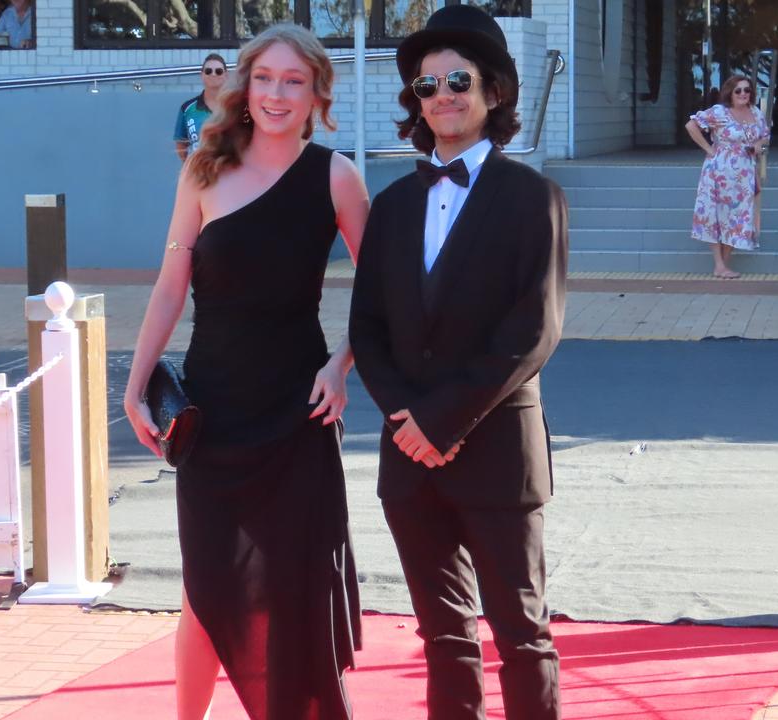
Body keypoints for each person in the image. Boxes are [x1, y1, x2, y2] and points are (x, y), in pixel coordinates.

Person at [122, 23, 368, 720]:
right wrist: (135, 383)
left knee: (294, 587)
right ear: (243, 86)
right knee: (206, 592)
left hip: (297, 410)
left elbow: (380, 288)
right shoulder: (203, 167)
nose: (277, 94)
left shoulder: (337, 176)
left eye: (294, 80)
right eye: (264, 78)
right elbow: (171, 284)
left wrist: (341, 364)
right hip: (214, 411)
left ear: (318, 91)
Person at [348, 5, 567, 718]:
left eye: (458, 80)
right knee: (443, 637)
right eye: (425, 85)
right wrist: (408, 423)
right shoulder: (390, 205)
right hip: (410, 461)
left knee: (522, 636)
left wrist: (443, 420)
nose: (442, 95)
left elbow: (533, 329)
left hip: (497, 453)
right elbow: (367, 328)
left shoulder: (535, 198)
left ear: (494, 91)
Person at [685, 75, 770, 279]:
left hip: (745, 172)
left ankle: (724, 265)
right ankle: (719, 263)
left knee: (738, 216)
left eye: (747, 90)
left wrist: (760, 146)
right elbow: (691, 125)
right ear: (730, 93)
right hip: (718, 171)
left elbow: (766, 137)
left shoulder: (756, 113)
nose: (743, 94)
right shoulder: (720, 112)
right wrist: (708, 148)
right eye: (738, 90)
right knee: (715, 214)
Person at [172, 53, 227, 161]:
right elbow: (181, 144)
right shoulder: (187, 108)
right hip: (199, 175)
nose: (213, 74)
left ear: (226, 75)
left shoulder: (237, 106)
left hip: (231, 175)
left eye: (218, 71)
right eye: (208, 71)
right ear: (201, 75)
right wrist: (192, 168)